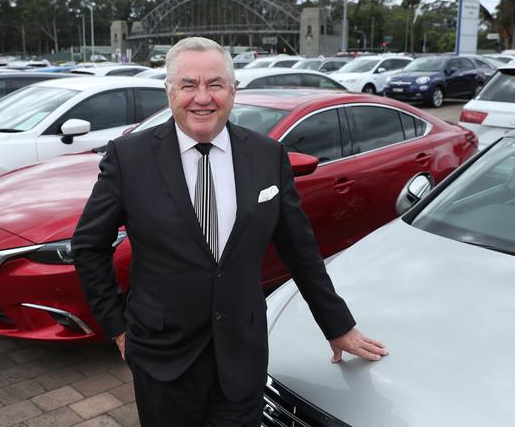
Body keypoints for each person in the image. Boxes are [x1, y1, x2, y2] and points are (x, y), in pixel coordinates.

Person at [71, 37, 387, 427]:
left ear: (233, 90)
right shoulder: (127, 157)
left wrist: (337, 325)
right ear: (170, 91)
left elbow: (300, 250)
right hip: (161, 360)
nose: (201, 98)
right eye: (188, 85)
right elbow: (88, 246)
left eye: (215, 84)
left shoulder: (268, 156)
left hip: (242, 355)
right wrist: (118, 330)